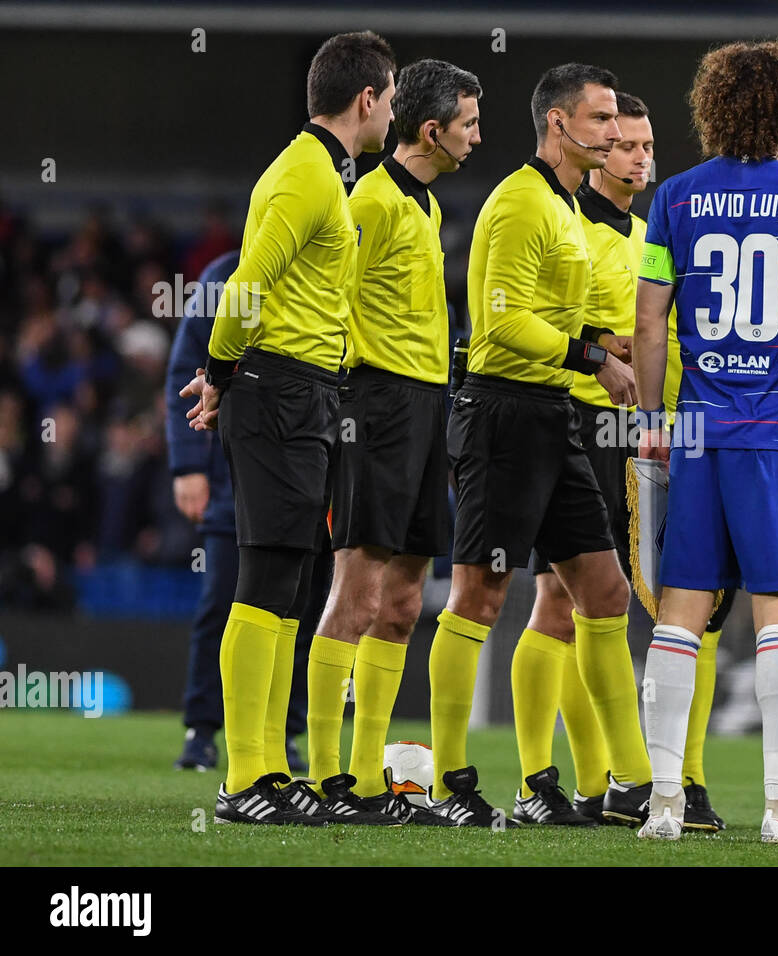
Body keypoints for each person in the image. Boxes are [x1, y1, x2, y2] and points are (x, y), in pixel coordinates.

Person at [633, 40, 778, 845]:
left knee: (679, 613)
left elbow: (650, 320)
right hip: (777, 434)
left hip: (696, 430)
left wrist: (655, 424)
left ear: (715, 107)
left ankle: (662, 805)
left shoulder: (675, 197)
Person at [180, 31, 396, 825]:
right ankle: (245, 780)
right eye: (392, 96)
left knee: (286, 588)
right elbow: (245, 288)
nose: (394, 112)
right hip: (278, 392)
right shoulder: (305, 177)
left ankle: (269, 770)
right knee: (265, 580)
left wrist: (229, 373)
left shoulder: (319, 174)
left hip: (297, 393)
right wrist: (226, 371)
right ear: (367, 99)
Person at [427, 63, 652, 827]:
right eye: (601, 120)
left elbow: (548, 320)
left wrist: (599, 342)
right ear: (558, 124)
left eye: (616, 120)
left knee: (605, 592)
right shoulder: (523, 202)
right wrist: (596, 356)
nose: (615, 134)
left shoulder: (559, 205)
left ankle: (630, 786)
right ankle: (451, 783)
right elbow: (500, 327)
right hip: (502, 416)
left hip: (551, 414)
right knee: (480, 595)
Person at [294, 58, 481, 825]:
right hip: (376, 408)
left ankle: (374, 783)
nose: (478, 134)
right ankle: (328, 778)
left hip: (426, 406)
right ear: (430, 130)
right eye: (469, 121)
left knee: (404, 601)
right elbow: (328, 296)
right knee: (359, 590)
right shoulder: (368, 201)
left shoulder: (427, 208)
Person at [166, 250, 326, 775]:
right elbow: (183, 372)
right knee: (222, 602)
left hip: (306, 458)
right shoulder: (224, 277)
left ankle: (284, 732)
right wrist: (187, 466)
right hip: (230, 472)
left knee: (297, 604)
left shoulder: (324, 264)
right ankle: (203, 729)